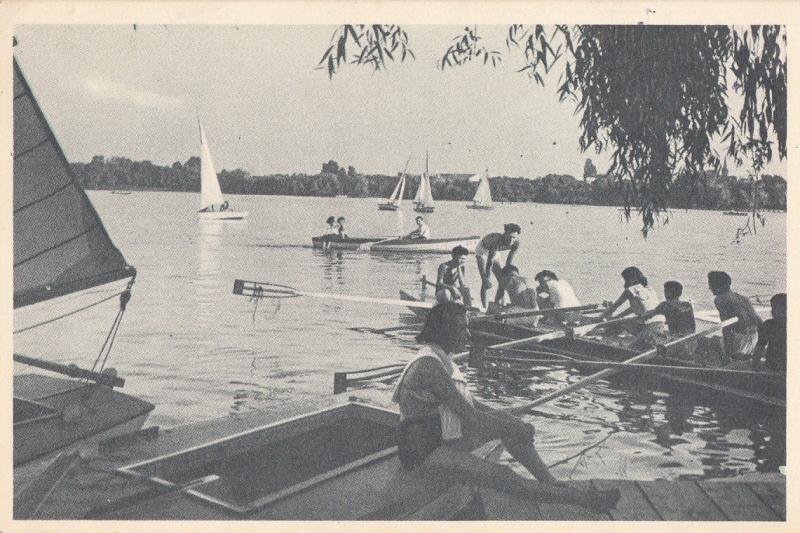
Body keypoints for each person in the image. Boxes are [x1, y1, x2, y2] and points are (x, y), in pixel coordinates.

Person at [393, 301, 621, 512]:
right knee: (504, 474)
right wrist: (512, 427)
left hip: (441, 439)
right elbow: (472, 418)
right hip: (422, 453)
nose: (469, 334)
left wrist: (510, 421)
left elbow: (471, 405)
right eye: (463, 328)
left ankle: (551, 483)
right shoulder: (429, 366)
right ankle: (586, 501)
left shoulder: (440, 357)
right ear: (444, 331)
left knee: (511, 425)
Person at [600, 266, 666, 348]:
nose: (625, 282)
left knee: (621, 323)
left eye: (625, 279)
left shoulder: (630, 290)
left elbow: (614, 307)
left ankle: (603, 340)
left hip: (648, 326)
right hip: (660, 323)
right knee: (622, 321)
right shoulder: (649, 288)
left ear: (631, 279)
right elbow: (634, 308)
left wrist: (599, 318)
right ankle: (606, 336)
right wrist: (618, 317)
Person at [707, 271, 761, 364]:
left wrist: (727, 352)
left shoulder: (720, 299)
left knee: (704, 343)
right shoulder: (743, 298)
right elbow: (759, 322)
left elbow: (726, 325)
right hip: (753, 339)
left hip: (739, 341)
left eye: (710, 284)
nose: (709, 288)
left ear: (717, 285)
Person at [638, 281, 696, 360]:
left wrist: (640, 316)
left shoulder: (665, 305)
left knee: (648, 336)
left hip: (676, 343)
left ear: (667, 293)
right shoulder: (687, 305)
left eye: (665, 291)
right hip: (691, 343)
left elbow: (647, 316)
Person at [475, 223, 521, 309]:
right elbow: (489, 262)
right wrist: (486, 279)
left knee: (503, 280)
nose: (511, 240)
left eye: (514, 238)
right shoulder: (496, 240)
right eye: (509, 237)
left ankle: (498, 304)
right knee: (485, 279)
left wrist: (506, 276)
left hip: (496, 252)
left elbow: (509, 261)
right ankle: (484, 307)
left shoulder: (516, 243)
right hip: (483, 249)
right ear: (505, 233)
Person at [753, 293, 786, 373]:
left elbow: (760, 347)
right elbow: (759, 348)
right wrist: (755, 368)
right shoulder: (768, 325)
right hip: (771, 366)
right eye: (772, 308)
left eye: (775, 308)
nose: (772, 311)